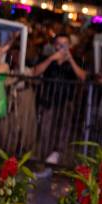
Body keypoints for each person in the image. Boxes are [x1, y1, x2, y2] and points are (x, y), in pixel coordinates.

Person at [34, 34, 87, 162]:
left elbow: (83, 77)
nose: (62, 47)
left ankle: (57, 155)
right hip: (48, 99)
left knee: (63, 128)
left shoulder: (77, 59)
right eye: (59, 44)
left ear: (70, 45)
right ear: (54, 45)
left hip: (67, 100)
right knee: (45, 128)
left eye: (65, 44)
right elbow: (35, 72)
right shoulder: (46, 58)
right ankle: (43, 156)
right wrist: (51, 59)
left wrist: (71, 60)